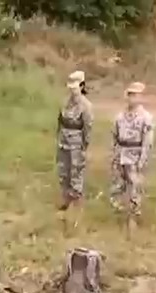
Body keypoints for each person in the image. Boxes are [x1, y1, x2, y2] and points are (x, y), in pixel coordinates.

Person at [109, 81, 155, 227]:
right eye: (130, 95)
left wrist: (143, 159)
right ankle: (119, 213)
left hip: (136, 154)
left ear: (141, 97)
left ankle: (134, 215)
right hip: (121, 153)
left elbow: (147, 141)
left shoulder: (146, 117)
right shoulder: (120, 116)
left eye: (135, 95)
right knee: (118, 186)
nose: (132, 98)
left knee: (135, 187)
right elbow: (114, 136)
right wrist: (114, 154)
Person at [56, 70, 94, 211]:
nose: (72, 89)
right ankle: (65, 197)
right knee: (63, 169)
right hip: (64, 139)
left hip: (77, 141)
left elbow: (87, 127)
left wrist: (84, 145)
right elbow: (60, 121)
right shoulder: (64, 102)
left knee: (76, 170)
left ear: (82, 86)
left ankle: (76, 199)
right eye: (70, 87)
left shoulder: (86, 105)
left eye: (75, 86)